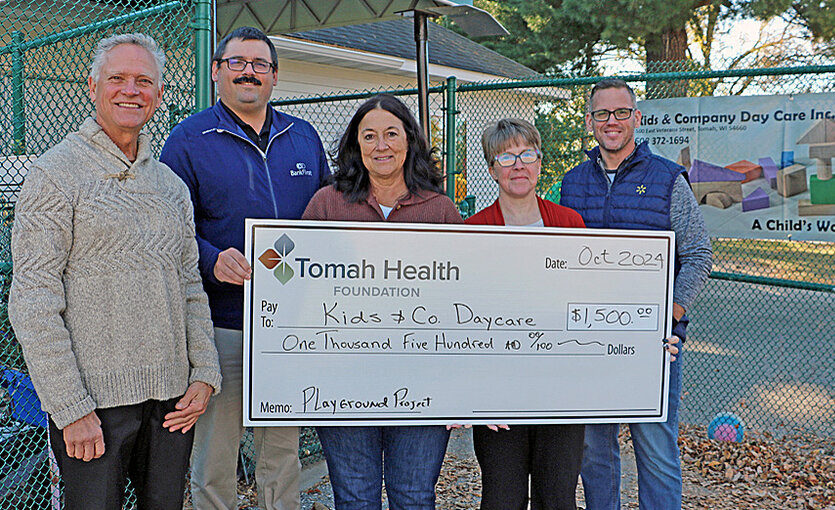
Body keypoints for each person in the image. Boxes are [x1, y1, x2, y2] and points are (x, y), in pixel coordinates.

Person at [8, 33, 221, 510]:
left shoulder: (169, 187)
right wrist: (69, 407)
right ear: (92, 87)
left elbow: (190, 286)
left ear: (159, 95)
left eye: (144, 80)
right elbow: (33, 300)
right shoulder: (55, 174)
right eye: (118, 78)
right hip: (92, 406)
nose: (131, 90)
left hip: (171, 403)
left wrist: (204, 372)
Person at [160, 26, 330, 510]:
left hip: (289, 325)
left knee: (283, 449)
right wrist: (212, 258)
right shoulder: (189, 139)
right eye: (237, 62)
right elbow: (167, 227)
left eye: (260, 64)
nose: (248, 71)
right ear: (217, 72)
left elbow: (327, 215)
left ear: (275, 76)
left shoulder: (303, 137)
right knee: (216, 453)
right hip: (223, 324)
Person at [301, 93, 463, 509]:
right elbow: (296, 285)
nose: (381, 145)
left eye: (391, 133)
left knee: (413, 496)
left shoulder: (440, 211)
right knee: (355, 498)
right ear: (356, 145)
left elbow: (465, 300)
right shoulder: (328, 203)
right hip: (342, 381)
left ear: (409, 140)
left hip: (422, 382)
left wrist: (462, 385)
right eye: (369, 136)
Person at [560, 79, 712, 510]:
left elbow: (699, 254)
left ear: (636, 118)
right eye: (603, 113)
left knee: (657, 452)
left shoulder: (667, 179)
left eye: (621, 112)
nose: (612, 121)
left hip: (654, 344)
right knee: (593, 452)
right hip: (589, 343)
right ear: (590, 121)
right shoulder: (572, 184)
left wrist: (671, 314)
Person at [464, 118, 586, 510]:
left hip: (561, 389)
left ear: (539, 162)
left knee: (557, 498)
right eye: (506, 156)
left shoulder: (571, 224)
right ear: (491, 168)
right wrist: (475, 390)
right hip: (499, 394)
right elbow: (460, 317)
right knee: (502, 498)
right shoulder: (472, 231)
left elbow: (587, 304)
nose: (518, 165)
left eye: (527, 155)